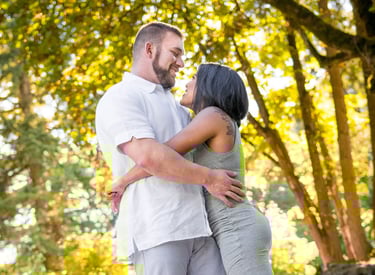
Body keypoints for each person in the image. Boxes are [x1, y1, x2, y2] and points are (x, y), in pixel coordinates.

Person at [95, 22, 245, 275]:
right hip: (157, 230)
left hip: (201, 228)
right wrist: (209, 178)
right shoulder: (121, 97)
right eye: (175, 53)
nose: (181, 63)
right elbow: (149, 157)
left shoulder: (178, 108)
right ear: (150, 49)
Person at [111, 63, 274, 274]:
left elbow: (163, 156)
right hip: (235, 226)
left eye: (194, 77)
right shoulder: (216, 119)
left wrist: (124, 180)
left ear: (210, 85)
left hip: (236, 227)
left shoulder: (213, 116)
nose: (187, 82)